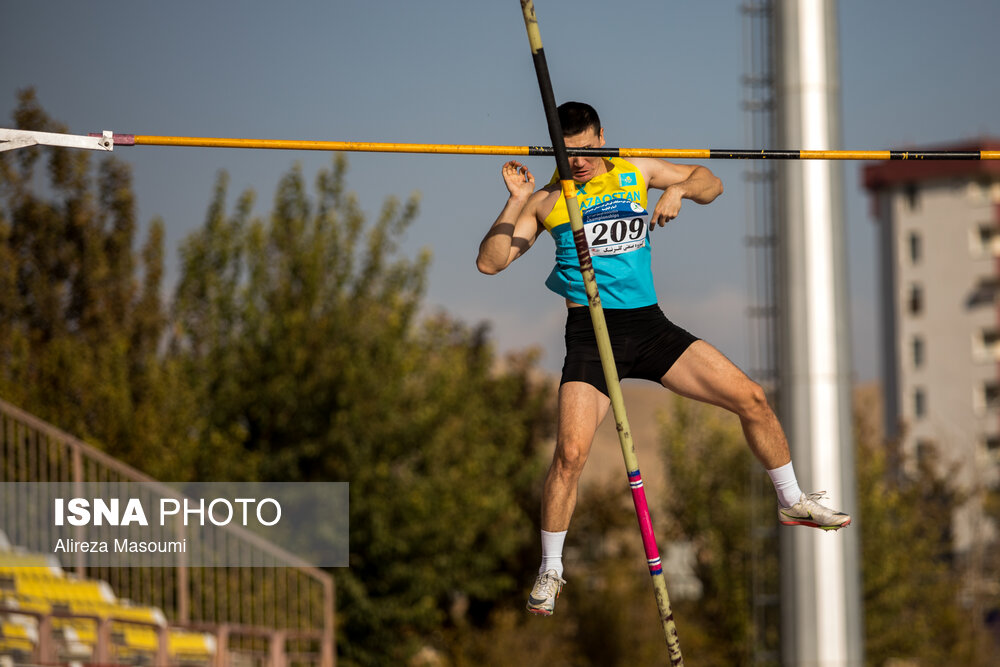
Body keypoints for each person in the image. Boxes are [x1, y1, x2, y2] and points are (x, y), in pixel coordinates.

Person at [476, 101, 850, 617]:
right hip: (591, 334)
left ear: (603, 137)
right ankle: (551, 569)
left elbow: (711, 183)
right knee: (569, 456)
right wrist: (516, 201)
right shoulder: (546, 201)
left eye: (588, 151)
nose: (579, 163)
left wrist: (676, 189)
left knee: (753, 398)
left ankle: (792, 500)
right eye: (568, 154)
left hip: (649, 328)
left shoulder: (638, 170)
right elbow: (489, 264)